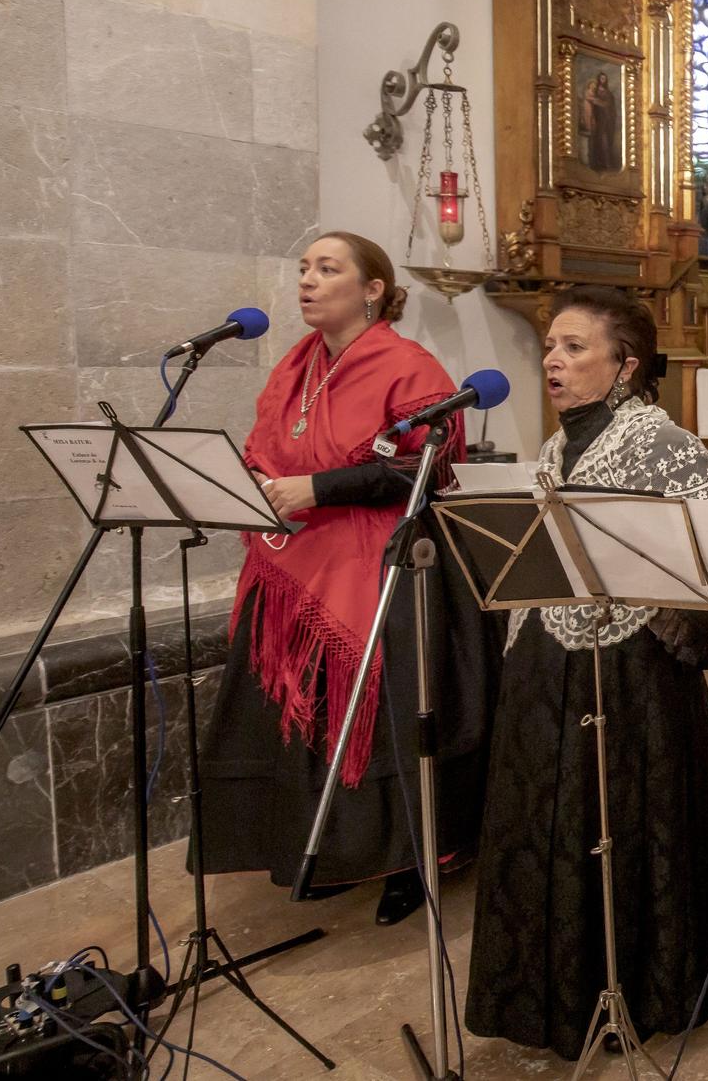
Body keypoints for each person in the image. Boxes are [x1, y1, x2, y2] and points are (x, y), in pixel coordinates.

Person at [465, 286, 708, 1057]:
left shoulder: (654, 439)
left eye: (575, 347)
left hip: (628, 677)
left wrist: (674, 613)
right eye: (550, 347)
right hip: (545, 663)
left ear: (626, 364)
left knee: (621, 824)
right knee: (550, 825)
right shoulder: (557, 445)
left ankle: (639, 988)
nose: (553, 361)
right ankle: (550, 998)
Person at [202, 231, 492, 927]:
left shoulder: (408, 363)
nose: (307, 280)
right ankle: (331, 847)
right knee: (306, 714)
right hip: (295, 561)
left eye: (327, 269)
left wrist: (317, 487)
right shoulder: (295, 365)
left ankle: (404, 861)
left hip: (384, 561)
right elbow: (261, 447)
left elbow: (424, 464)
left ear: (370, 290)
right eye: (302, 267)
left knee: (385, 718)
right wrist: (256, 483)